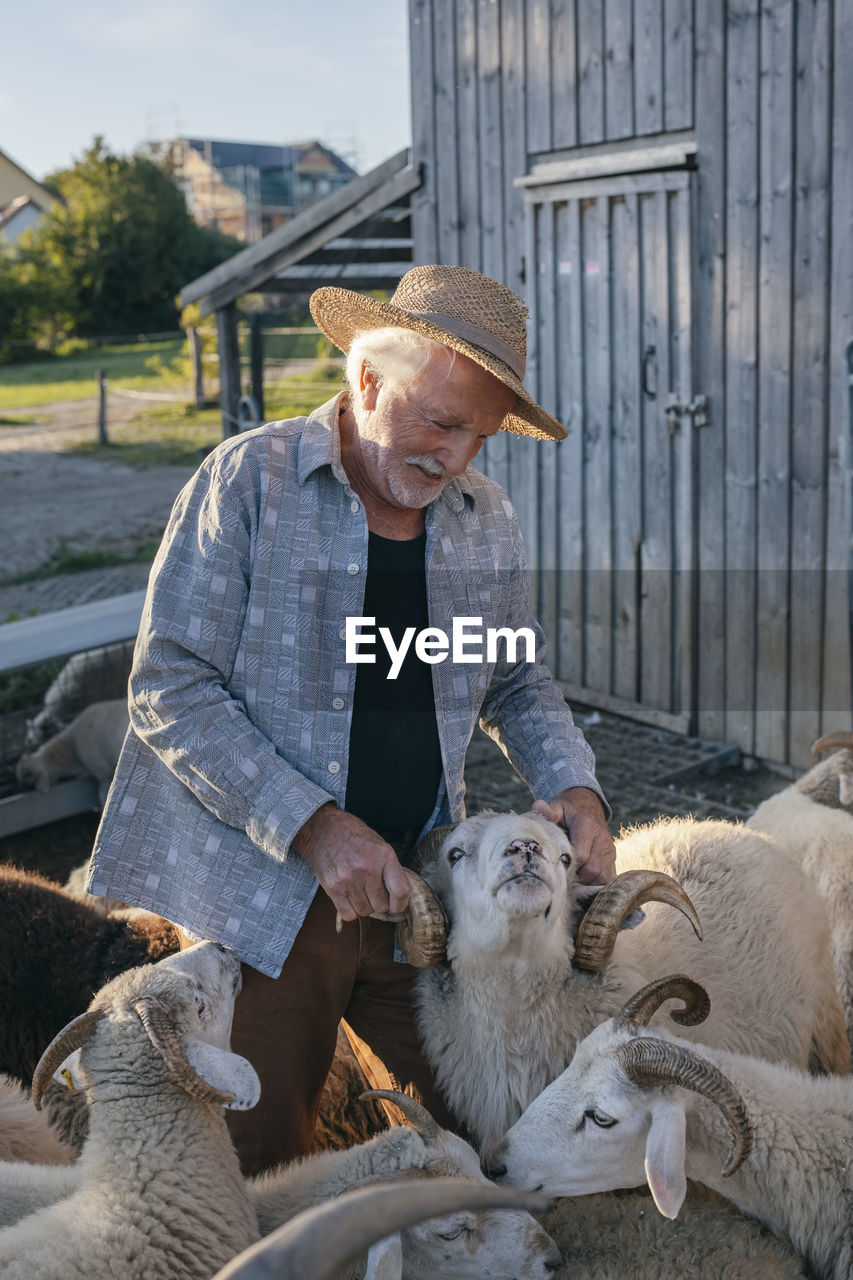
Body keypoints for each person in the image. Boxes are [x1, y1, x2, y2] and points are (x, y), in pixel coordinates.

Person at [88, 264, 616, 1174]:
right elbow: (171, 686)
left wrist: (573, 783)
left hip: (421, 885)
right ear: (366, 380)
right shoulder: (250, 483)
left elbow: (515, 681)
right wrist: (315, 827)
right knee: (266, 1159)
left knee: (479, 1132)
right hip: (265, 898)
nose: (455, 458)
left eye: (479, 438)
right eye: (442, 423)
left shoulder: (482, 519)